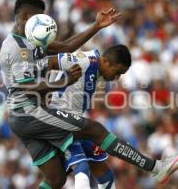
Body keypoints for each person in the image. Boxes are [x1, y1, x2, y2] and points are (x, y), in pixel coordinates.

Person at [0, 0, 178, 189]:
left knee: (56, 179)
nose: (43, 23)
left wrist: (96, 26)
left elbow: (64, 47)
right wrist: (62, 81)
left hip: (27, 115)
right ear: (24, 16)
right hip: (28, 112)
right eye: (38, 18)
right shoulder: (15, 48)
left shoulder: (33, 39)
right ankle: (155, 167)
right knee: (94, 131)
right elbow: (22, 89)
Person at [49, 45, 132, 189]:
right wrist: (43, 91)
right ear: (105, 62)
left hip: (75, 122)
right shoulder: (85, 61)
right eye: (117, 72)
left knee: (105, 175)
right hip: (57, 121)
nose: (117, 77)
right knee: (82, 168)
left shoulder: (99, 72)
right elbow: (49, 62)